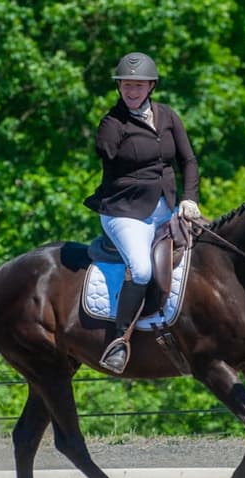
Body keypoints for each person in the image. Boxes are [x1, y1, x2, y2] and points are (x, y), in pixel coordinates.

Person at [84, 51, 202, 374]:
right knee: (140, 270)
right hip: (125, 213)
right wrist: (112, 132)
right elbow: (104, 151)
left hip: (166, 209)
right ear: (119, 87)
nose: (132, 91)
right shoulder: (113, 122)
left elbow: (188, 161)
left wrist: (189, 199)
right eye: (126, 85)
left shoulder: (168, 117)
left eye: (138, 85)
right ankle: (119, 341)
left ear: (151, 86)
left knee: (203, 254)